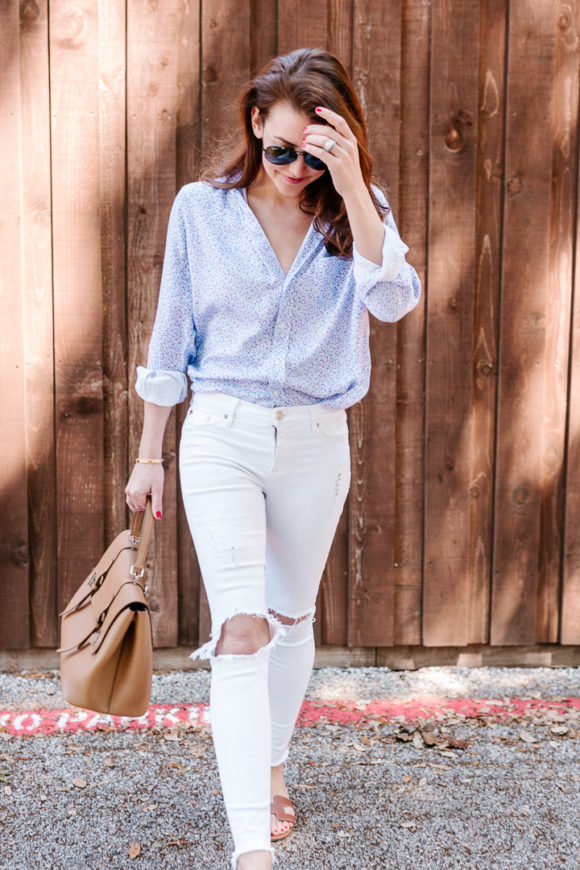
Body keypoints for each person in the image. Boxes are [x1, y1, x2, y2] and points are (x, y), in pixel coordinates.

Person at [125, 47, 420, 870]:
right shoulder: (201, 210)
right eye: (280, 149)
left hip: (316, 441)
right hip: (221, 431)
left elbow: (394, 299)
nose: (292, 170)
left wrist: (354, 185)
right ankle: (252, 847)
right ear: (256, 125)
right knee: (242, 627)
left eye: (312, 154)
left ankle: (272, 762)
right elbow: (169, 335)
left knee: (291, 621)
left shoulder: (355, 213)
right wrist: (151, 453)